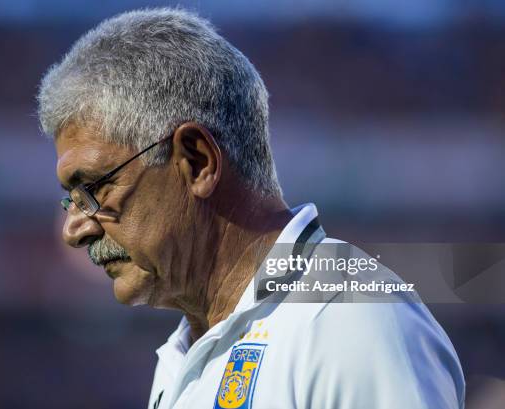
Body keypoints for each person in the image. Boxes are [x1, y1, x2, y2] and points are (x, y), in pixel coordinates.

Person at [37, 8, 465, 409]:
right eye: (71, 199)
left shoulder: (347, 320)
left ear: (198, 161)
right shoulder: (183, 356)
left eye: (93, 187)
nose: (74, 230)